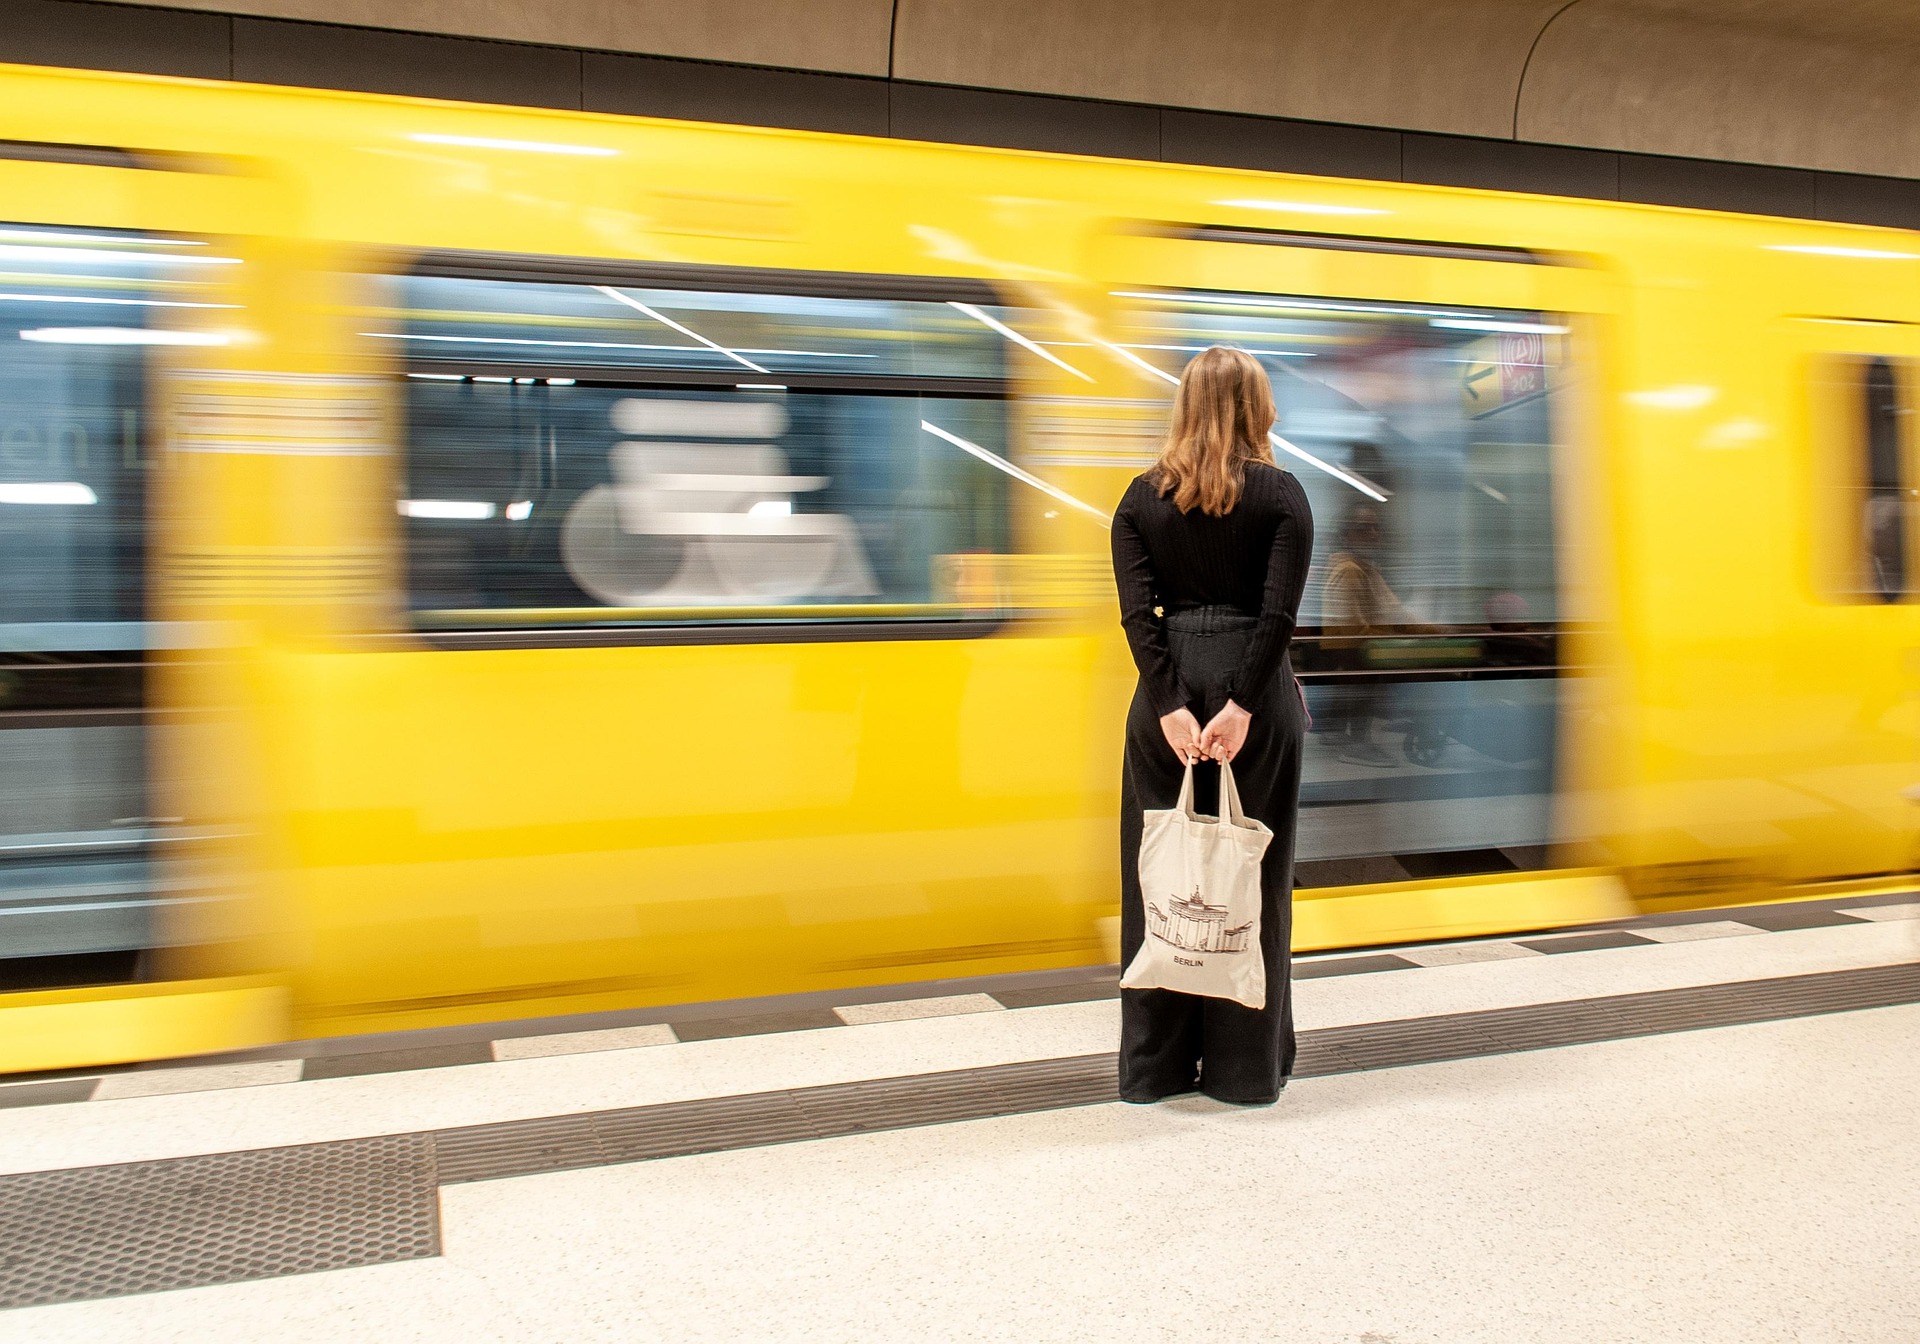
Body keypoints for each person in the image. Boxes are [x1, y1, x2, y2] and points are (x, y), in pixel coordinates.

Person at [1109, 346, 1314, 1105]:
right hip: (1254, 697)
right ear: (1256, 407)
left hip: (1162, 706)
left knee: (1159, 880)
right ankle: (1241, 1071)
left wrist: (1169, 705)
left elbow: (1138, 615)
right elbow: (1279, 616)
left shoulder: (1138, 500)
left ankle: (1153, 1069)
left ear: (1186, 407)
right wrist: (1243, 706)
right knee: (1253, 880)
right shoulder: (1283, 496)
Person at [1321, 500, 1417, 767]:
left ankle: (1350, 737)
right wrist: (1398, 634)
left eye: (1376, 528)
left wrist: (1433, 629)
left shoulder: (1367, 569)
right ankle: (1357, 743)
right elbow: (1355, 629)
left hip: (1360, 650)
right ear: (1346, 534)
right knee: (1367, 683)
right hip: (1352, 654)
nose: (1373, 534)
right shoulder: (1348, 570)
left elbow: (1395, 610)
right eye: (1364, 528)